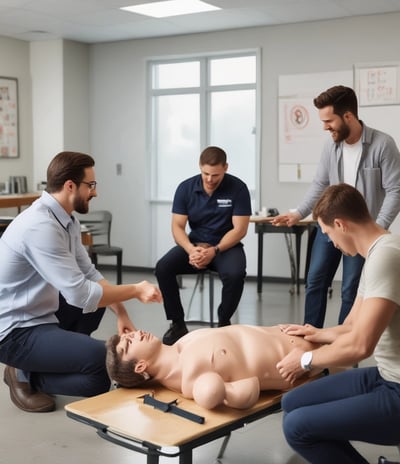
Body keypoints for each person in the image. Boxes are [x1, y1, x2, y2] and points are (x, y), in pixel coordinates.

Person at [0, 151, 162, 413]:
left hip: (40, 314)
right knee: (101, 362)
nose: (95, 192)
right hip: (14, 332)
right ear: (70, 186)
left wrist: (121, 311)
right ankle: (23, 374)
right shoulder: (39, 226)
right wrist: (135, 289)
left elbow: (89, 273)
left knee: (99, 309)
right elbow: (80, 294)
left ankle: (56, 358)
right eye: (92, 185)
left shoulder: (67, 220)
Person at [276, 183, 400, 464]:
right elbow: (352, 325)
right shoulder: (377, 252)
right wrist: (317, 333)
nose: (331, 242)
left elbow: (360, 345)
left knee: (296, 427)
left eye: (328, 233)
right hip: (387, 376)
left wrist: (306, 359)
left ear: (341, 224)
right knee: (292, 402)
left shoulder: (386, 257)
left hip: (397, 390)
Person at [271, 85, 400, 328]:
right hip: (329, 226)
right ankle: (310, 344)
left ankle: (343, 351)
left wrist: (377, 230)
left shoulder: (383, 144)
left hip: (359, 232)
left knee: (351, 290)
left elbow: (396, 190)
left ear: (348, 116)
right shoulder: (332, 146)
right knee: (315, 281)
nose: (324, 127)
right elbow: (320, 183)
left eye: (329, 120)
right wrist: (298, 213)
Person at [155, 146, 251, 345]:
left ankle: (223, 322)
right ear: (200, 167)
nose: (209, 179)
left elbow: (240, 229)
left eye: (215, 175)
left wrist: (214, 251)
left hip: (225, 247)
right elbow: (177, 226)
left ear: (226, 167)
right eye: (205, 173)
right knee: (163, 267)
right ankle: (177, 323)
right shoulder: (185, 188)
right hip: (195, 245)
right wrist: (191, 250)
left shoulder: (238, 188)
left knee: (236, 274)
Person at [105, 324, 321, 410]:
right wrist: (223, 392)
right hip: (303, 362)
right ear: (140, 366)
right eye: (129, 343)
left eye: (129, 335)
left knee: (351, 333)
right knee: (351, 345)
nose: (135, 333)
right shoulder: (190, 380)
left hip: (297, 333)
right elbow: (242, 393)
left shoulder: (183, 342)